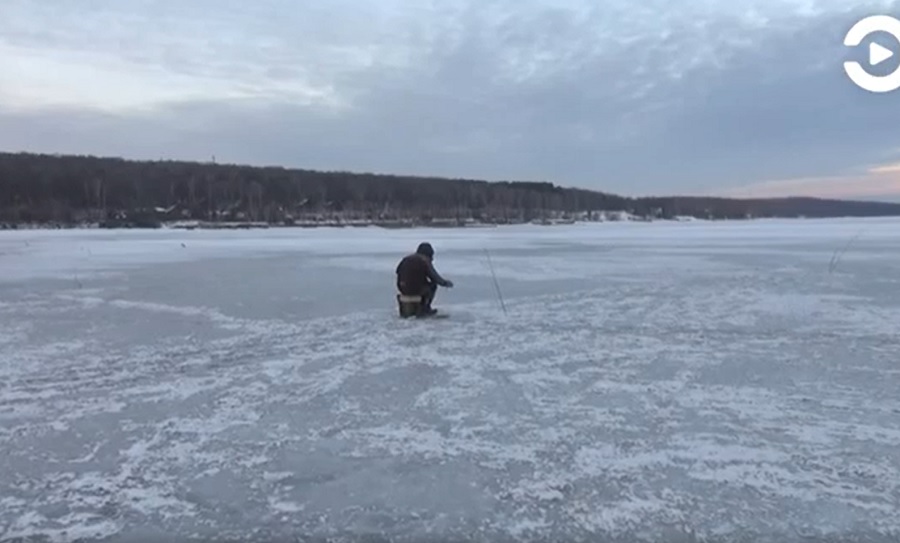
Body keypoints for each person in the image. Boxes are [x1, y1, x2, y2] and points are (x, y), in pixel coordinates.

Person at [396, 242, 453, 315]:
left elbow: (398, 271)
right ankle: (425, 308)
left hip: (402, 288)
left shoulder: (406, 259)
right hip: (416, 289)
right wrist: (445, 283)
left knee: (422, 283)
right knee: (433, 286)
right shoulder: (424, 260)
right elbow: (435, 277)